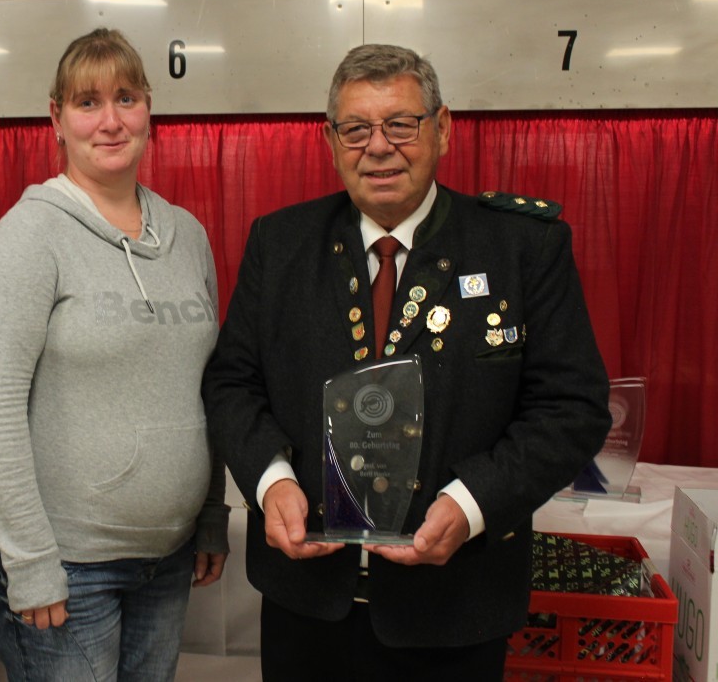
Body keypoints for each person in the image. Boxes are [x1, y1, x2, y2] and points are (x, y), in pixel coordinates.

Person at [202, 43, 611, 680]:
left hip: (457, 607)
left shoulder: (522, 246)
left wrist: (472, 503)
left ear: (442, 128)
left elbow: (572, 409)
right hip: (307, 606)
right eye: (356, 129)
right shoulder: (280, 244)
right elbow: (231, 383)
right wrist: (271, 480)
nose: (378, 147)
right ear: (331, 140)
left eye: (400, 124)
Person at [0, 28, 230, 682]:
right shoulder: (27, 237)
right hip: (65, 566)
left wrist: (209, 516)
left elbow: (207, 386)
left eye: (126, 98)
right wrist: (28, 561)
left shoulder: (188, 236)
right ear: (56, 118)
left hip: (168, 558)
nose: (110, 121)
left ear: (148, 109)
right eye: (88, 102)